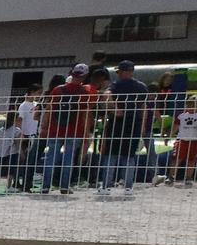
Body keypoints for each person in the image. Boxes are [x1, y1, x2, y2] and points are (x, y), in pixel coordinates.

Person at [96, 61, 150, 198]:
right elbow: (144, 107)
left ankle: (106, 186)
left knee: (111, 155)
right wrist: (143, 125)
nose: (118, 74)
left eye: (119, 71)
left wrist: (114, 109)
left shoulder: (116, 85)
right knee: (129, 157)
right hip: (135, 125)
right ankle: (128, 187)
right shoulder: (141, 86)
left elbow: (106, 96)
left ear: (123, 71)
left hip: (117, 124)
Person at [39, 64, 93, 196]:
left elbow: (49, 109)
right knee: (68, 160)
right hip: (74, 131)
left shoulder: (58, 90)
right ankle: (64, 186)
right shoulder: (84, 93)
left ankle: (45, 186)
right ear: (84, 76)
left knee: (51, 158)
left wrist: (44, 126)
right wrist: (86, 133)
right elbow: (85, 114)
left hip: (55, 129)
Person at [16, 84, 42, 187]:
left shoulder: (36, 104)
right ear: (31, 92)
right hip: (25, 135)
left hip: (34, 134)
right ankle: (17, 181)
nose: (39, 95)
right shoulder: (23, 105)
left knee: (31, 159)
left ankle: (27, 181)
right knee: (21, 159)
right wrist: (20, 134)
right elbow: (19, 120)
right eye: (38, 93)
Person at [0, 116, 23, 192]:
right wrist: (21, 152)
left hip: (1, 152)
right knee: (11, 170)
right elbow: (17, 142)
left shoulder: (1, 129)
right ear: (15, 120)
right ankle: (8, 187)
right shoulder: (17, 130)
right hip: (12, 152)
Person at [174, 94, 197, 189]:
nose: (192, 106)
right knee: (176, 159)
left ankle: (188, 178)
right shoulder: (181, 115)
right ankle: (171, 177)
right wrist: (168, 136)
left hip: (195, 140)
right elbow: (175, 126)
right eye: (190, 104)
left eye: (194, 104)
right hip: (182, 139)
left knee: (191, 160)